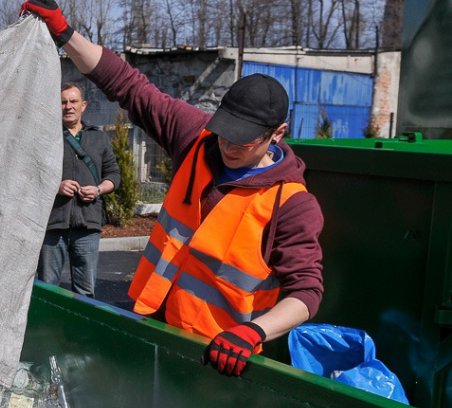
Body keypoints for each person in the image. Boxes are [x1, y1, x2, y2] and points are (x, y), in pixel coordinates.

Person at [22, 1, 324, 376]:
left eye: (243, 141)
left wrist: (252, 332)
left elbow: (306, 292)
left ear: (277, 133)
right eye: (225, 131)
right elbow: (129, 86)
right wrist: (64, 33)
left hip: (217, 356)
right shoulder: (198, 139)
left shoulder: (290, 203)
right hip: (151, 325)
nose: (228, 146)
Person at [37, 83, 120, 298]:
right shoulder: (47, 138)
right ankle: (47, 331)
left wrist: (99, 189)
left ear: (83, 105)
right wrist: (57, 186)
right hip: (53, 225)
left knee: (85, 292)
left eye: (73, 101)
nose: (68, 106)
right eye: (63, 102)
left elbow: (113, 176)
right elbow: (31, 175)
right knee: (48, 288)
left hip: (87, 225)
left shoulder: (99, 138)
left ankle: (80, 332)